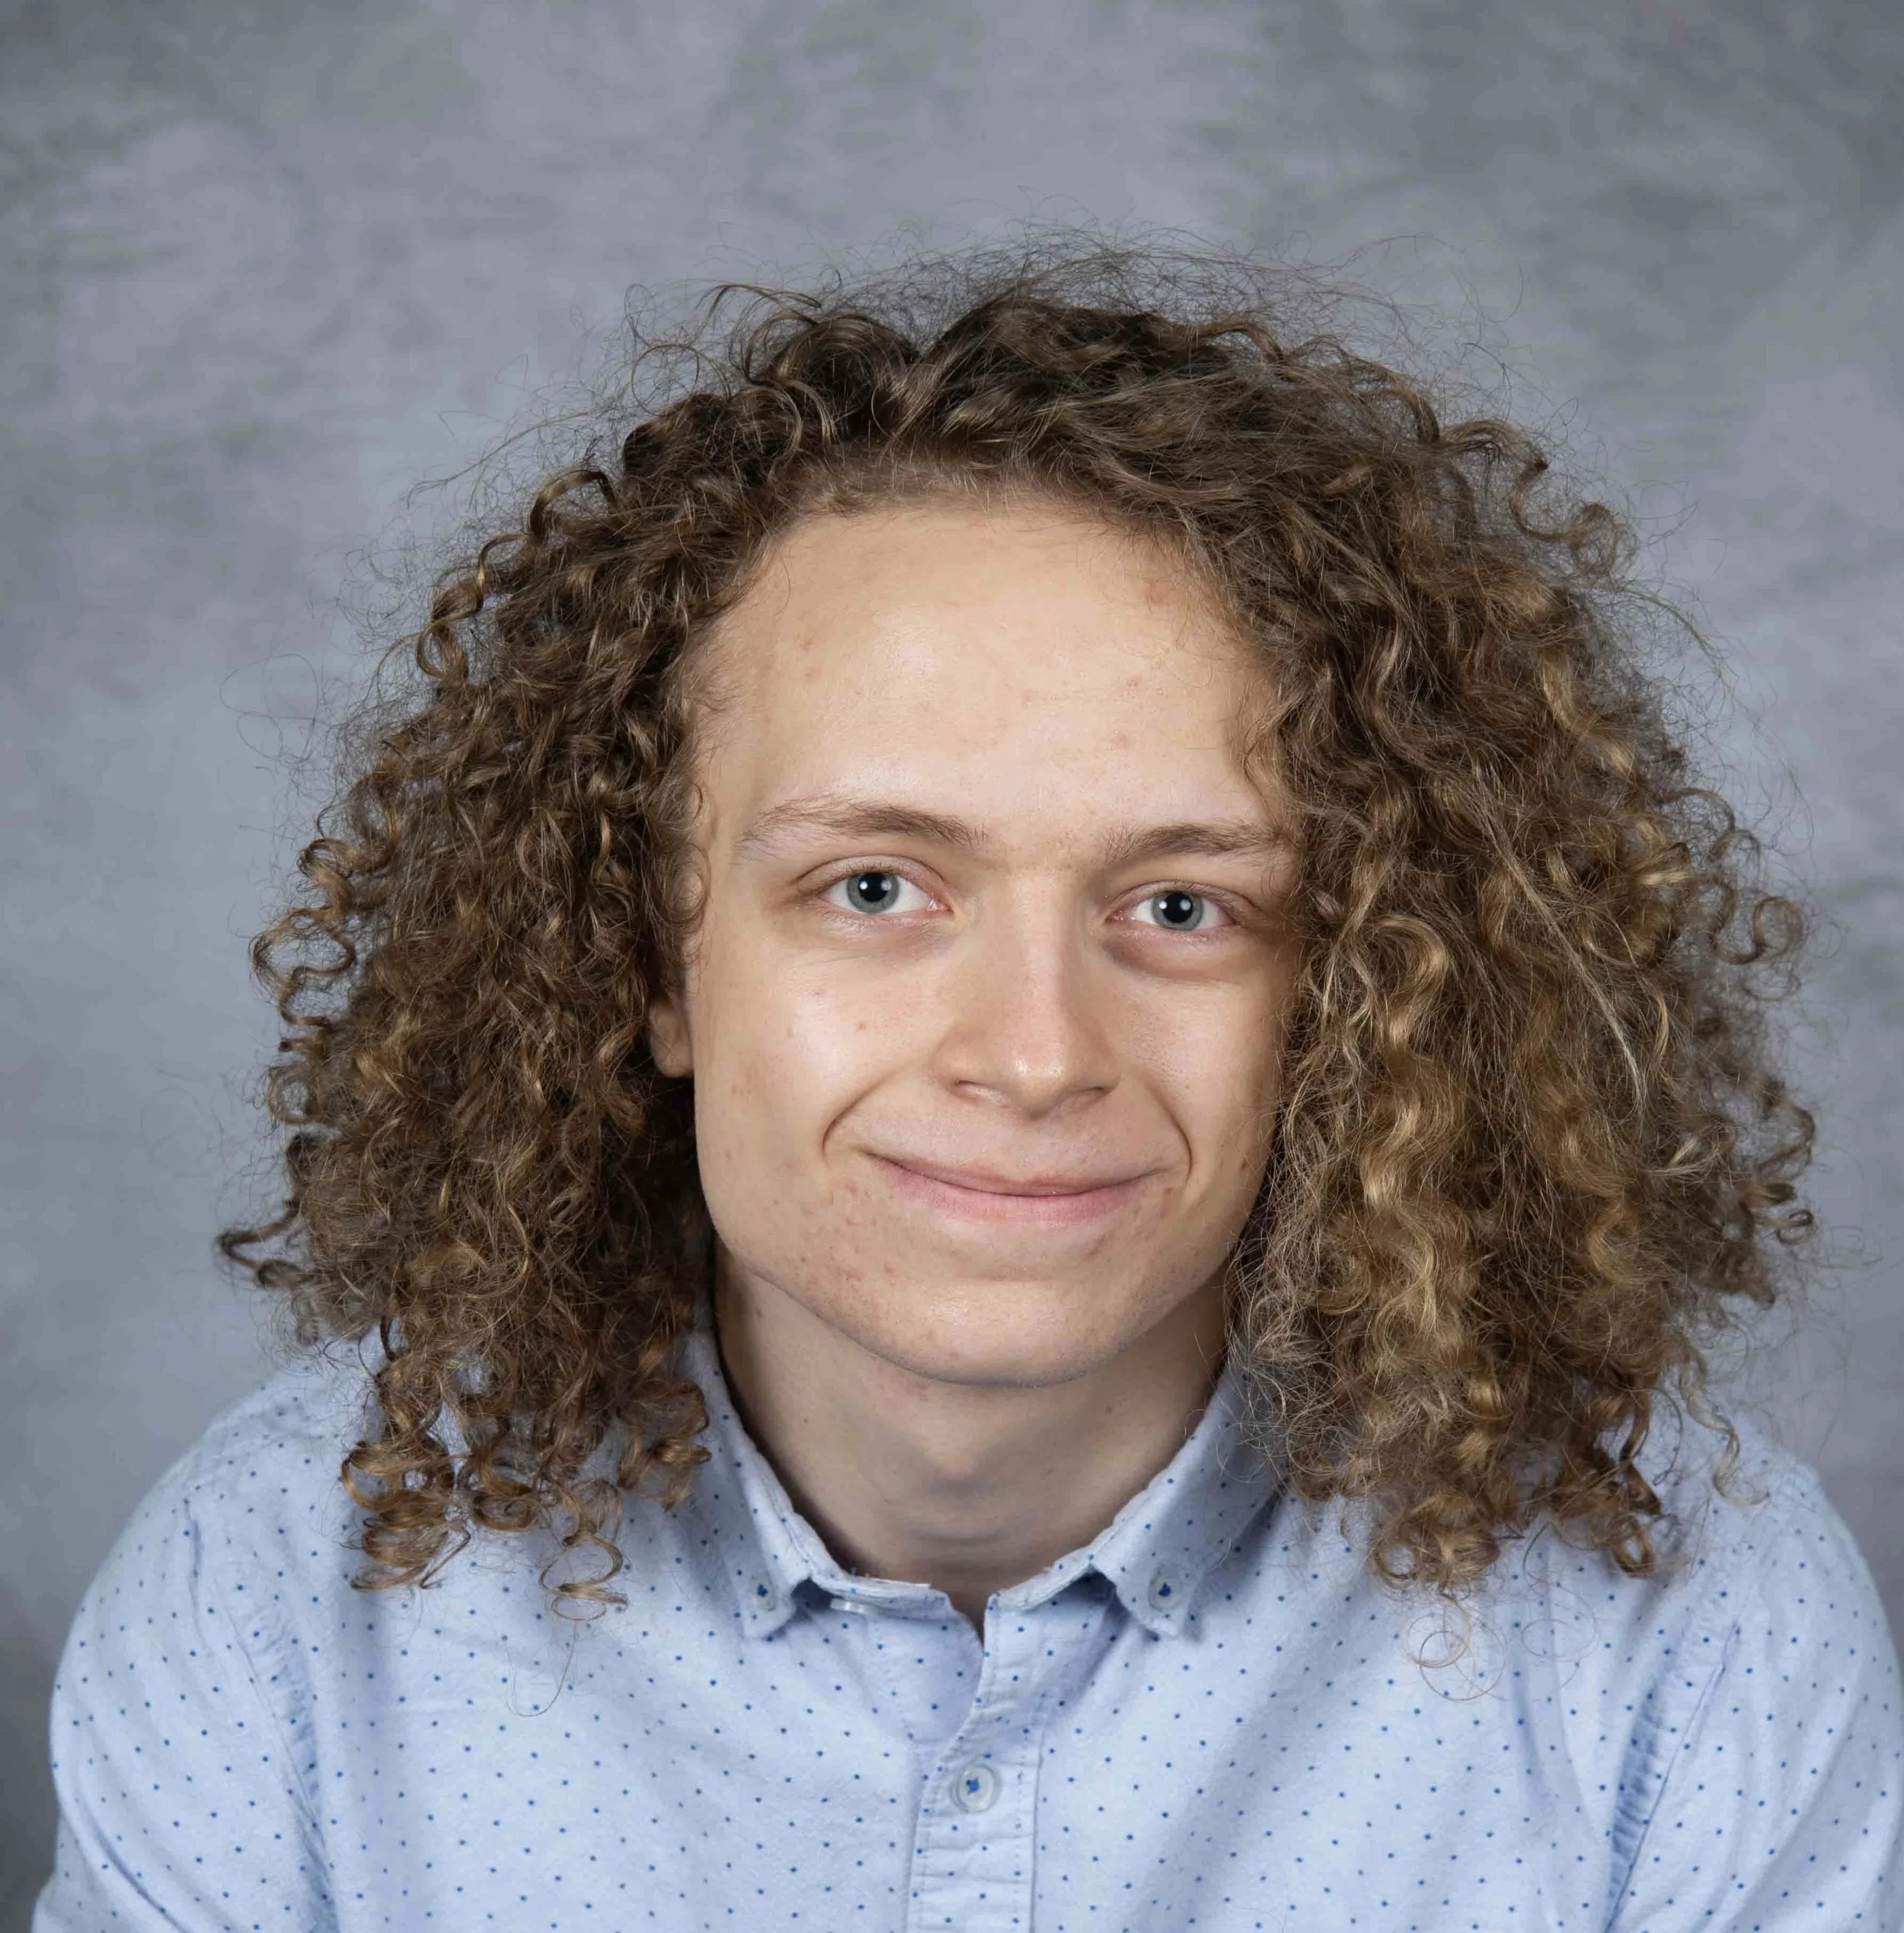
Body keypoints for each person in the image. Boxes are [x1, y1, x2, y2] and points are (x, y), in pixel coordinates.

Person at [34, 244, 1903, 1931]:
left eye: (1180, 906)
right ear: (648, 961)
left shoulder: (1679, 1615)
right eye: (873, 889)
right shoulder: (279, 1589)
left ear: (1348, 992)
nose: (1031, 1053)